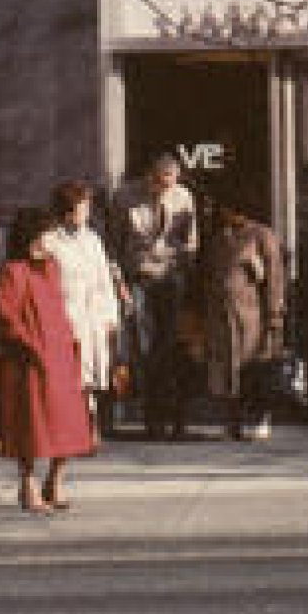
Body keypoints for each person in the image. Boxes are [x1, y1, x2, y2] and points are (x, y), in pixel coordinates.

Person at [0, 205, 92, 513]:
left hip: (60, 350)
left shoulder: (51, 267)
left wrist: (71, 340)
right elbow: (6, 314)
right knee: (31, 425)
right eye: (44, 234)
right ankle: (28, 485)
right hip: (30, 358)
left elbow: (59, 305)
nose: (48, 241)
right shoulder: (14, 271)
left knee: (69, 422)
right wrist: (29, 343)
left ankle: (55, 479)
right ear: (29, 236)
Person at [117, 153, 197, 440]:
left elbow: (190, 242)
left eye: (171, 184)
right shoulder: (125, 197)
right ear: (150, 177)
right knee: (146, 348)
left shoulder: (183, 197)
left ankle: (174, 416)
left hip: (171, 278)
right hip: (138, 277)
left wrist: (183, 275)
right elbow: (115, 243)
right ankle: (153, 417)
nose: (166, 190)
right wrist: (120, 281)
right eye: (161, 184)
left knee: (170, 347)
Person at [44, 180, 120, 451]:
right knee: (71, 377)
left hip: (93, 317)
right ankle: (73, 431)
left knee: (90, 377)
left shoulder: (92, 239)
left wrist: (110, 314)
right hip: (66, 317)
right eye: (82, 205)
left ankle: (90, 428)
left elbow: (103, 279)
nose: (87, 211)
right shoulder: (49, 241)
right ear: (67, 209)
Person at [202, 200, 285, 441]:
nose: (226, 214)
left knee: (256, 367)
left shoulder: (262, 235)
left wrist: (274, 313)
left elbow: (275, 276)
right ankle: (232, 420)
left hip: (253, 314)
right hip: (222, 315)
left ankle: (261, 417)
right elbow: (209, 275)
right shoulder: (219, 238)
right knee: (228, 370)